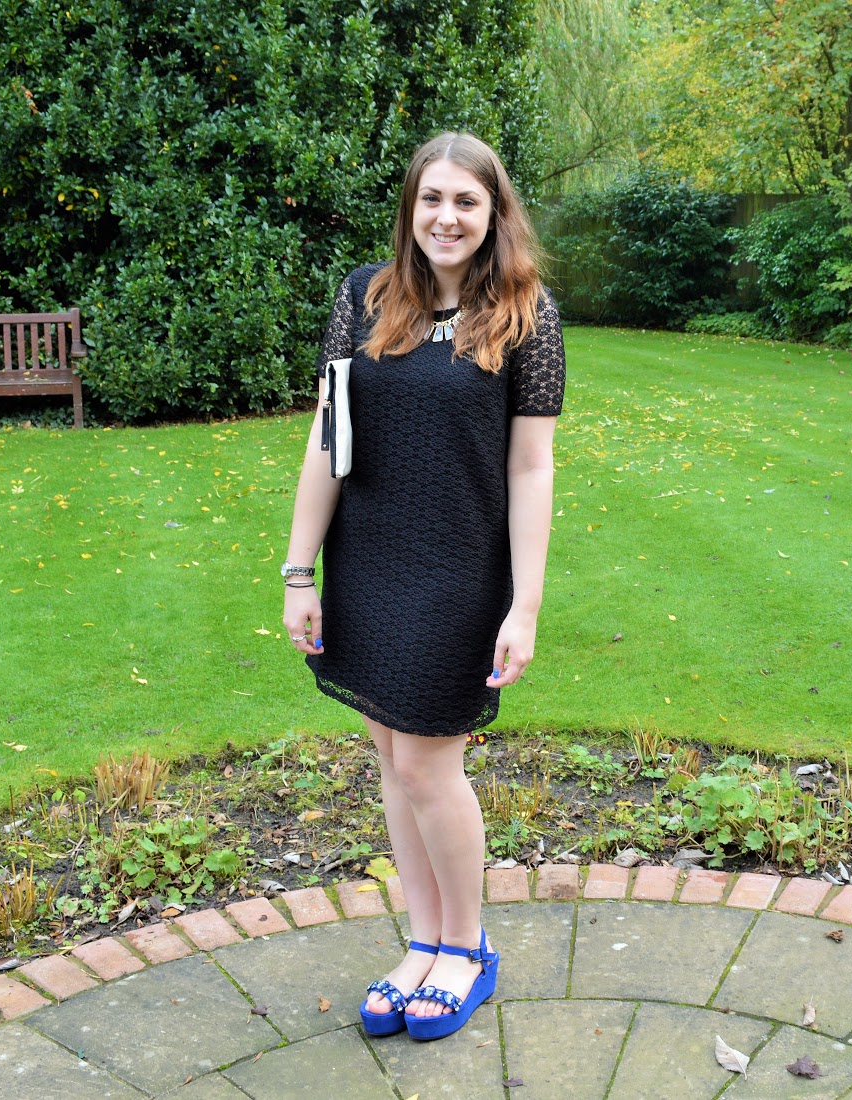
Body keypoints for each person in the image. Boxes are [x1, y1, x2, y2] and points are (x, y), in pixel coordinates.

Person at [280, 131, 564, 1041]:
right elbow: (327, 439)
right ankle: (425, 941)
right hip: (367, 561)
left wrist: (525, 603)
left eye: (466, 201)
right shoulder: (365, 297)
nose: (447, 217)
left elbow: (531, 468)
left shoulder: (525, 314)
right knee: (390, 760)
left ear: (494, 213)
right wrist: (299, 571)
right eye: (432, 198)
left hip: (459, 570)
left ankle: (468, 950)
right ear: (410, 207)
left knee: (428, 765)